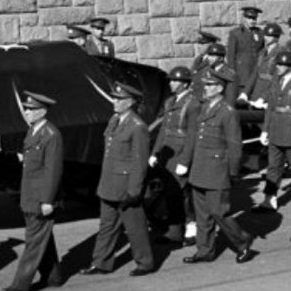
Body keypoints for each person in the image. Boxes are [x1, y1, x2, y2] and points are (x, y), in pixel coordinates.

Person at [179, 68, 256, 264]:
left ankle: (242, 240)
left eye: (210, 85)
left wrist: (233, 172)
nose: (206, 88)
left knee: (219, 211)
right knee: (202, 215)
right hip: (200, 168)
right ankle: (205, 250)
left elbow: (234, 145)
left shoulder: (227, 112)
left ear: (220, 88)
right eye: (205, 85)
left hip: (217, 169)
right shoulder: (204, 107)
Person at [81, 81, 155, 276]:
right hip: (109, 183)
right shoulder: (114, 120)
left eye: (119, 98)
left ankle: (145, 262)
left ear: (130, 102)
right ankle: (101, 262)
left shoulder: (137, 126)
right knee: (107, 225)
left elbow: (139, 162)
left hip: (126, 186)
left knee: (135, 227)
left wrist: (134, 191)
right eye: (114, 97)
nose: (114, 100)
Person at [4, 91, 65, 291]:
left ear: (42, 111)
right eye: (26, 109)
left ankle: (20, 284)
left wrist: (48, 200)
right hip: (30, 194)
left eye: (31, 109)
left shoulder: (51, 134)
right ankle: (54, 276)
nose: (26, 113)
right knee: (41, 237)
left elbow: (53, 170)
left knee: (33, 240)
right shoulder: (33, 131)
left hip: (41, 197)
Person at [148, 66, 198, 244]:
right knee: (170, 193)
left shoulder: (192, 104)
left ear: (185, 84)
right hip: (167, 153)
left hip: (180, 153)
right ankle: (175, 230)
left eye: (176, 81)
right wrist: (155, 152)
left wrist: (185, 160)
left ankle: (192, 227)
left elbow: (192, 135)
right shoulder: (170, 102)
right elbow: (164, 130)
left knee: (183, 193)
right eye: (171, 80)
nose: (172, 83)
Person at [259, 50, 291, 210]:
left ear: (290, 67)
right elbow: (270, 108)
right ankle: (270, 198)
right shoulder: (276, 81)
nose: (279, 67)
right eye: (278, 64)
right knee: (273, 166)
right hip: (276, 128)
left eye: (282, 65)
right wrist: (265, 130)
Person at [225, 6, 264, 89]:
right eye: (249, 18)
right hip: (242, 75)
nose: (252, 21)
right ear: (244, 18)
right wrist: (232, 74)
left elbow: (262, 51)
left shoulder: (260, 33)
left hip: (256, 73)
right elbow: (231, 56)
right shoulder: (236, 33)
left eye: (254, 18)